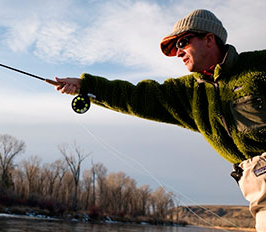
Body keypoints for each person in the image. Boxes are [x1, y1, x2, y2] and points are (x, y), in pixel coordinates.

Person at [55, 9, 266, 231]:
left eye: (183, 42)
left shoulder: (257, 66)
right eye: (176, 48)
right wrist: (85, 87)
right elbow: (135, 97)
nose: (178, 52)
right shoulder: (189, 93)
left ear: (209, 39)